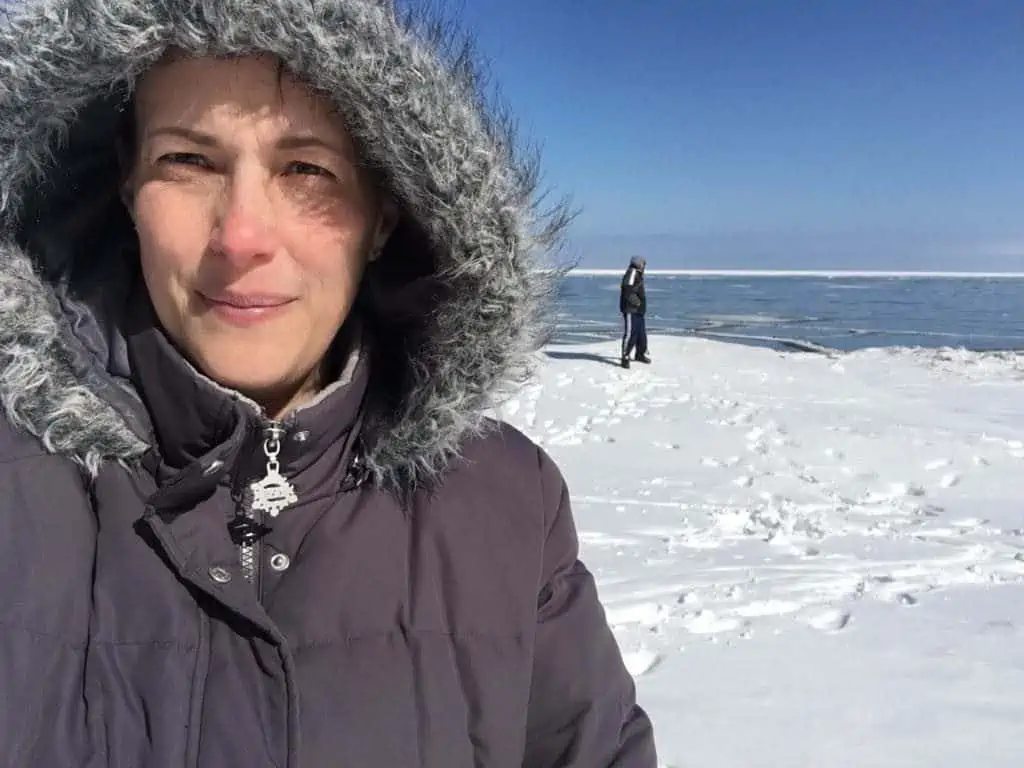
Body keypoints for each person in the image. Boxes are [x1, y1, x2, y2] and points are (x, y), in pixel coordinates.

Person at [0, 1, 658, 766]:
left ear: (385, 215)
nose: (242, 236)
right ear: (126, 190)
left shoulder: (510, 505)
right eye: (188, 161)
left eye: (306, 169)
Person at [619, 255, 651, 368]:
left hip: (639, 311)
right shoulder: (632, 273)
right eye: (643, 264)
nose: (644, 266)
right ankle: (625, 357)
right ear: (638, 264)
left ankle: (640, 354)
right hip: (631, 309)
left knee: (641, 334)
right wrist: (636, 302)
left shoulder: (638, 274)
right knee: (630, 333)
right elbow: (627, 290)